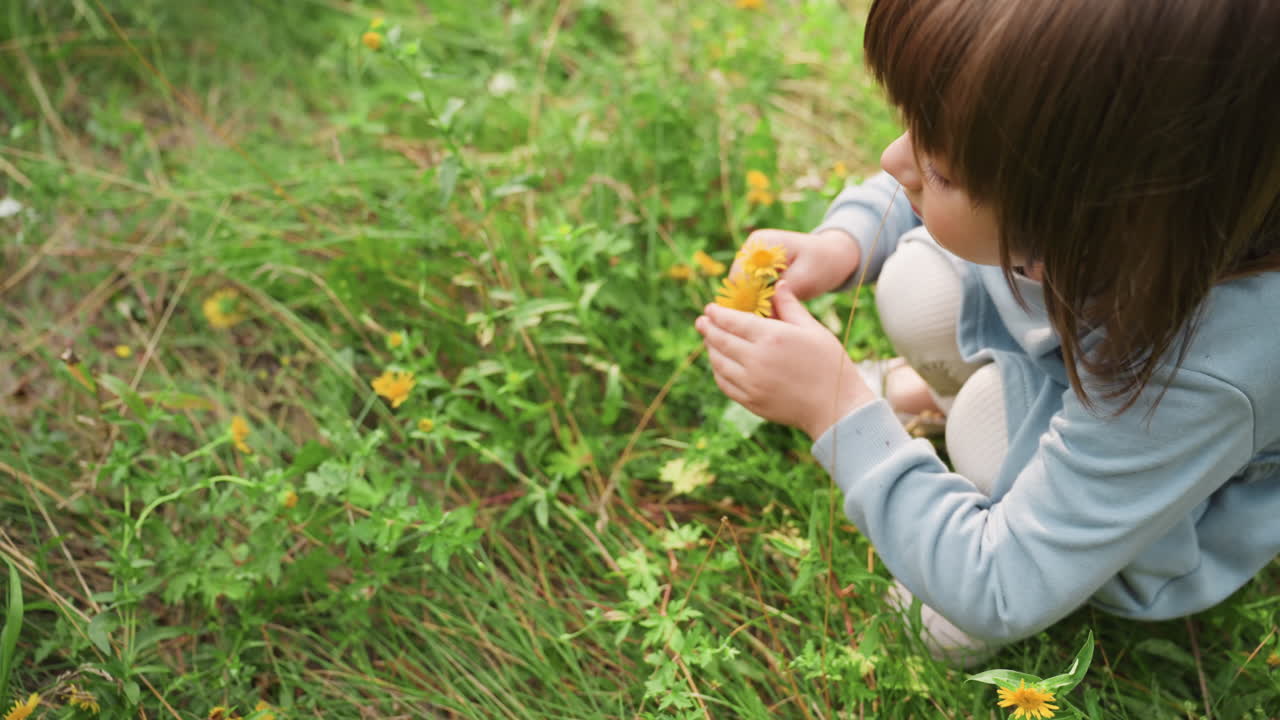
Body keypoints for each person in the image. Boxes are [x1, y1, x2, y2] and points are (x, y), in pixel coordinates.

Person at [694, 0, 1280, 666]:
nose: (892, 159)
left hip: (1145, 523)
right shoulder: (1124, 209)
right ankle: (932, 396)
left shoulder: (1203, 369)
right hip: (1066, 369)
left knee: (948, 594)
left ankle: (960, 430)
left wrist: (834, 408)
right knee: (919, 284)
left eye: (941, 170)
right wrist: (842, 244)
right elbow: (939, 183)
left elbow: (1002, 586)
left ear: (1097, 218)